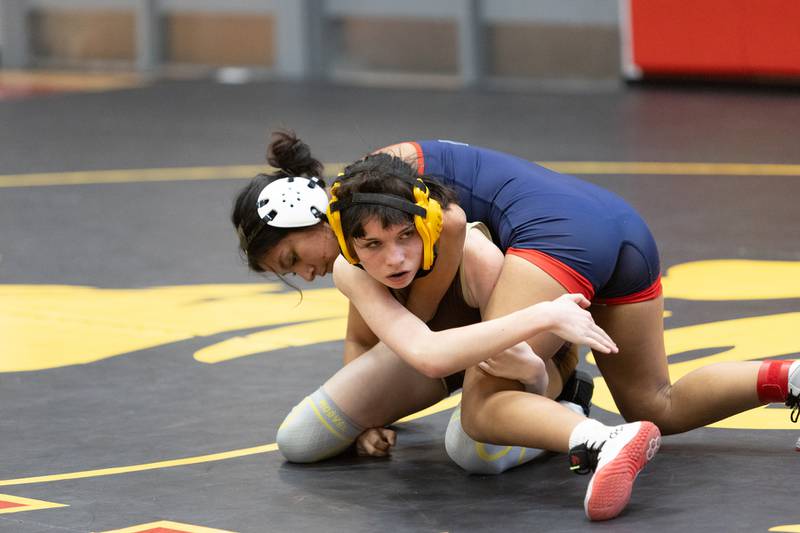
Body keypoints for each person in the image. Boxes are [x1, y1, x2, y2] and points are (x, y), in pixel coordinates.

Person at [232, 131, 800, 521]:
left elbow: (443, 249)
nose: (303, 274)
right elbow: (371, 333)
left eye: (290, 261)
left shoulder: (385, 206)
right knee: (657, 404)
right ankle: (789, 378)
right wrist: (368, 414)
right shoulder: (370, 213)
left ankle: (596, 438)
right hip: (615, 224)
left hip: (557, 239)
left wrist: (508, 328)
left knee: (480, 412)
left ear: (310, 218)